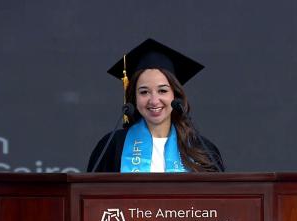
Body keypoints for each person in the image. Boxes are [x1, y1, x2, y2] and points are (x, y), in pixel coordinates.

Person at [87, 38, 224, 172]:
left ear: (175, 95)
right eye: (144, 92)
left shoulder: (202, 150)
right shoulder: (113, 146)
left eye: (162, 91)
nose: (153, 100)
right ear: (134, 98)